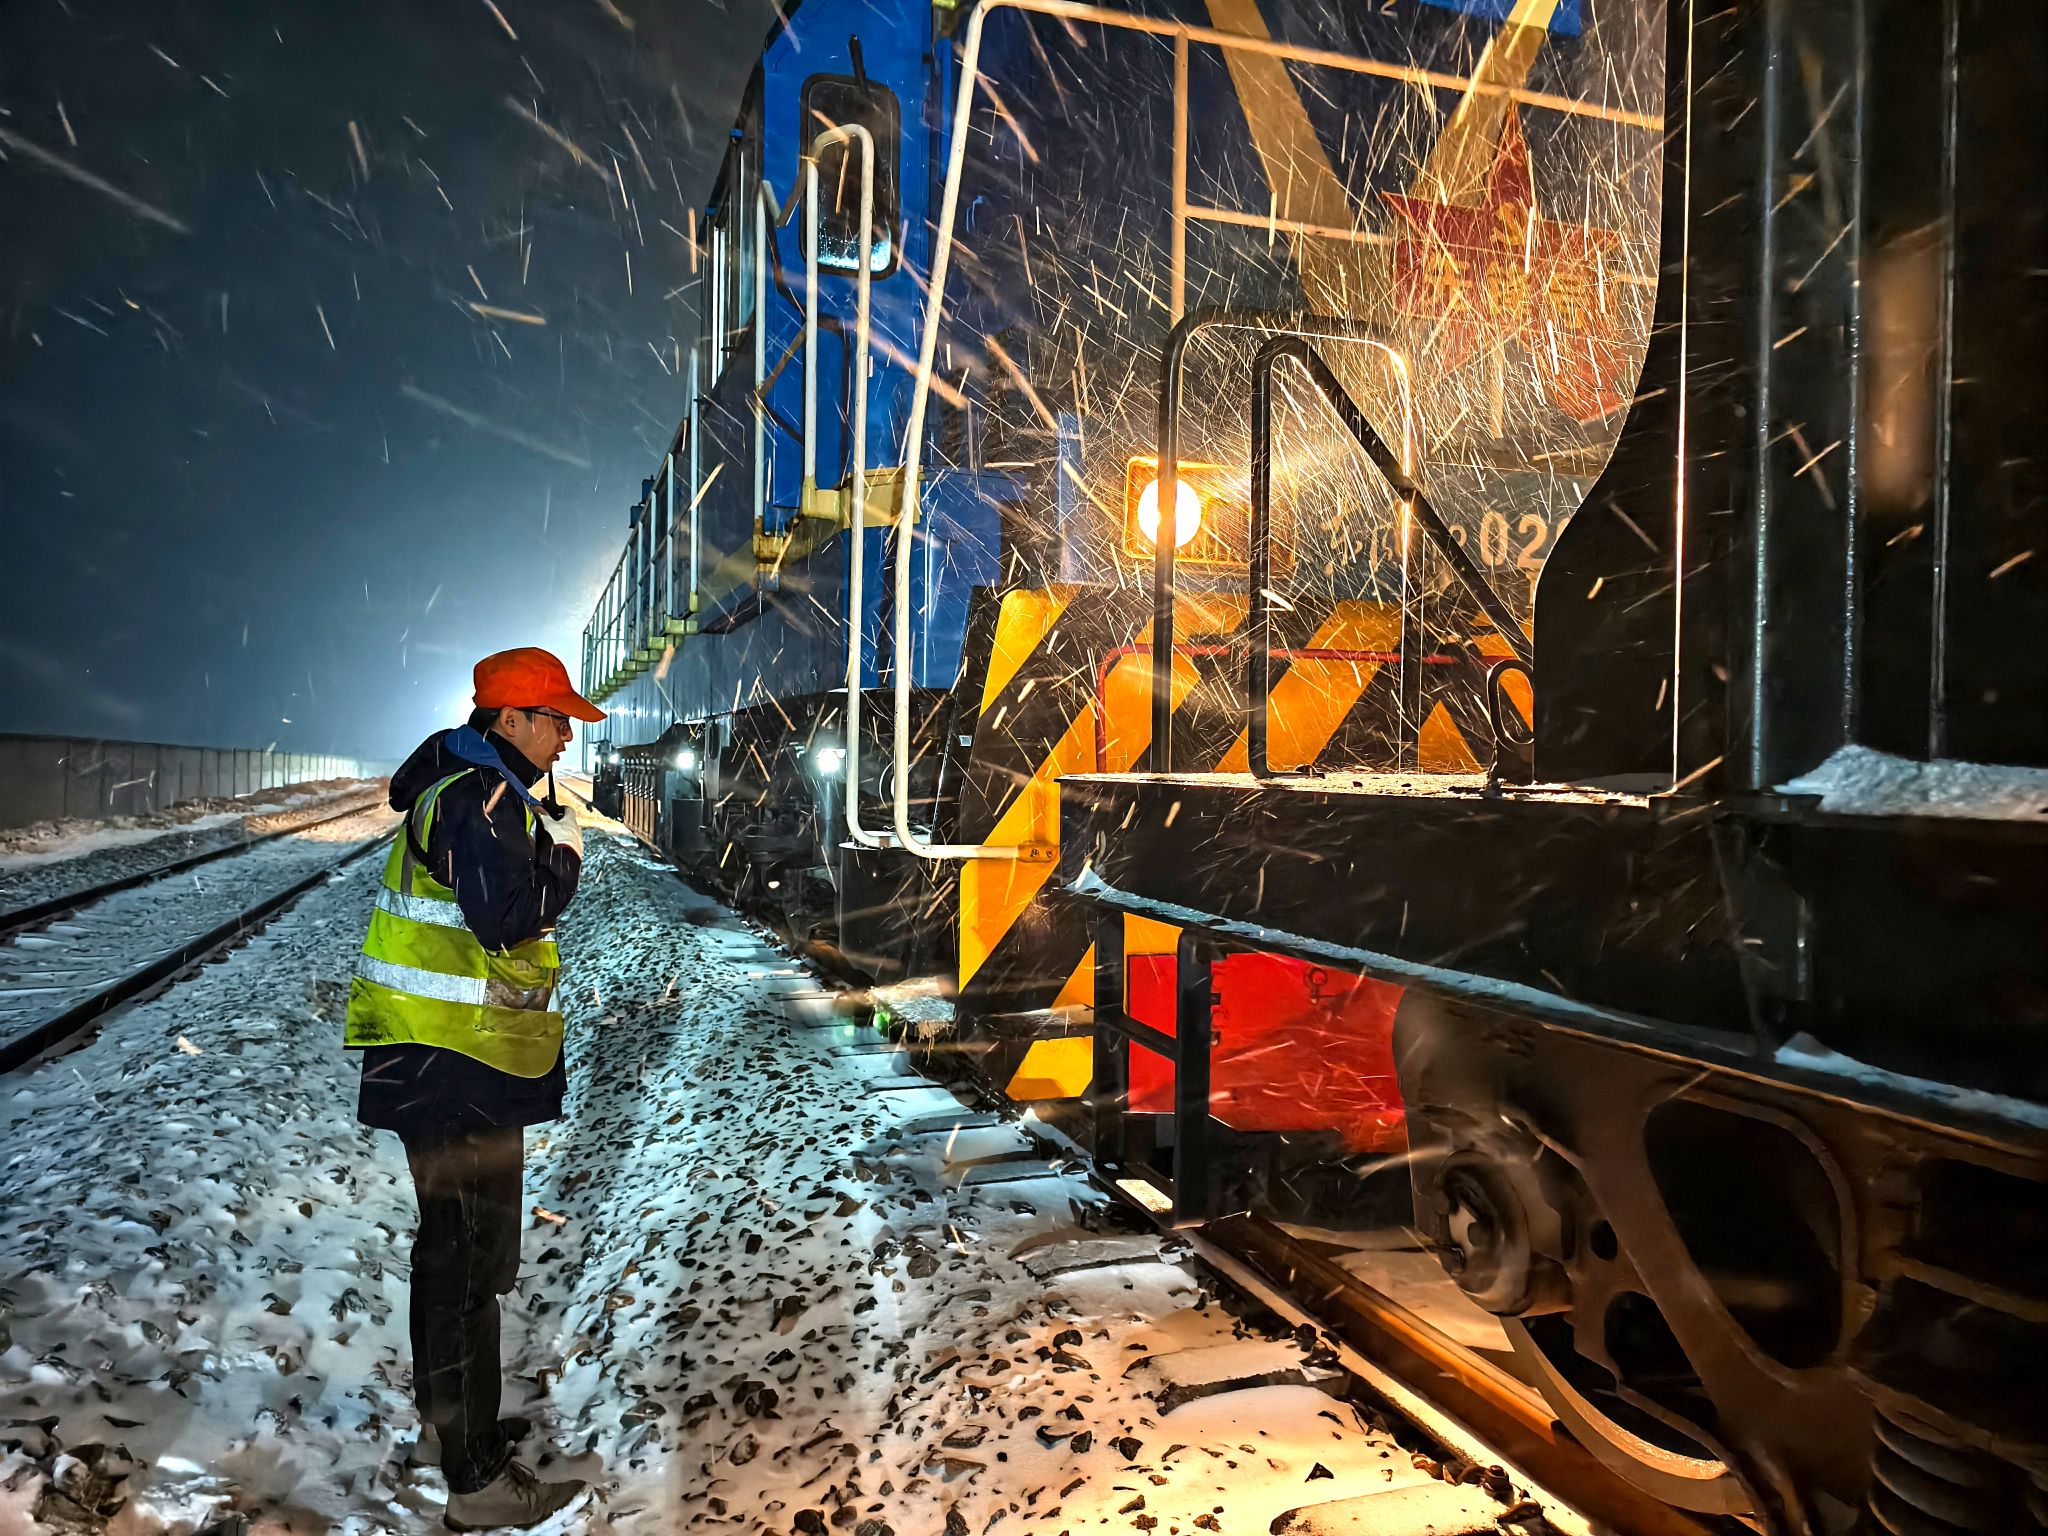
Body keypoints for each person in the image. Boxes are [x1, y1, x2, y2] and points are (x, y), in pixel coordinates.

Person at [344, 647, 604, 1530]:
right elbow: (505, 920)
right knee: (465, 1264)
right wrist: (564, 856)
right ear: (511, 719)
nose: (566, 737)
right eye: (556, 719)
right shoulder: (478, 797)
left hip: (449, 1059)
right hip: (453, 1064)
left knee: (457, 1254)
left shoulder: (472, 789)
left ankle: (449, 1428)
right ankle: (475, 1479)